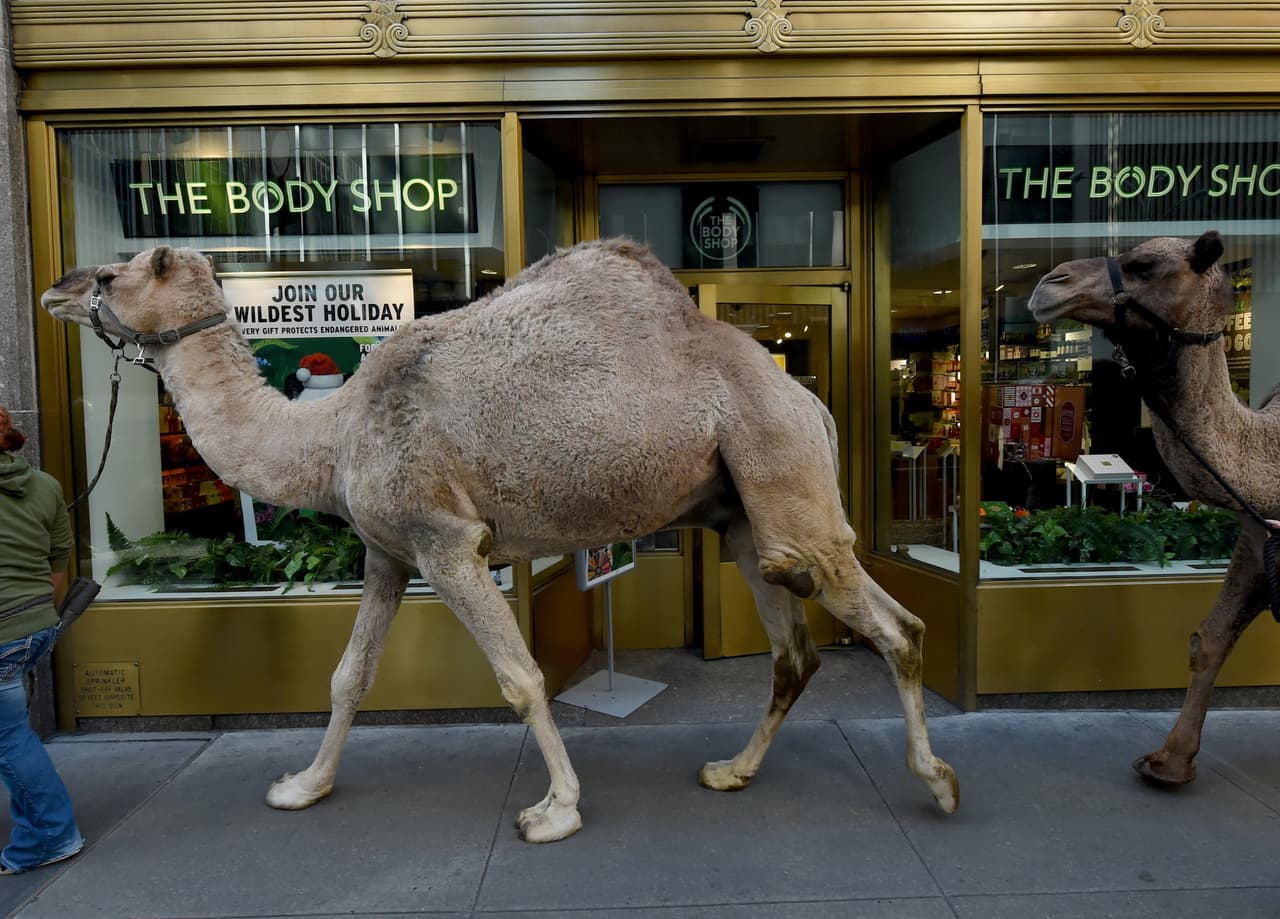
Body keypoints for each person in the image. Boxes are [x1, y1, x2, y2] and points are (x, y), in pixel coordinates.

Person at [0, 407, 83, 874]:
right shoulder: (46, 484)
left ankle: (51, 836)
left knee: (9, 739)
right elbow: (59, 561)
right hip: (32, 625)